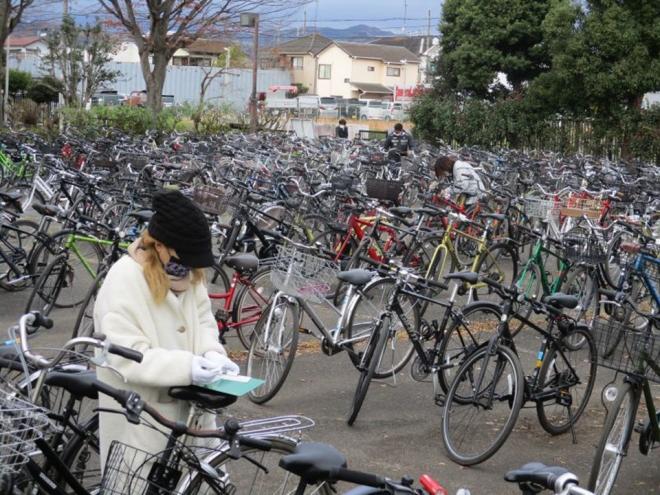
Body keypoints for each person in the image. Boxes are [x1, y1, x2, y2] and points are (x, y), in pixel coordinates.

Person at [94, 190, 240, 464]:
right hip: (142, 420)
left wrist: (213, 354)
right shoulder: (124, 279)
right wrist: (187, 367)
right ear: (159, 245)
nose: (188, 266)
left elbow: (204, 321)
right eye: (183, 257)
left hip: (191, 416)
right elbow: (123, 354)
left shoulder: (190, 274)